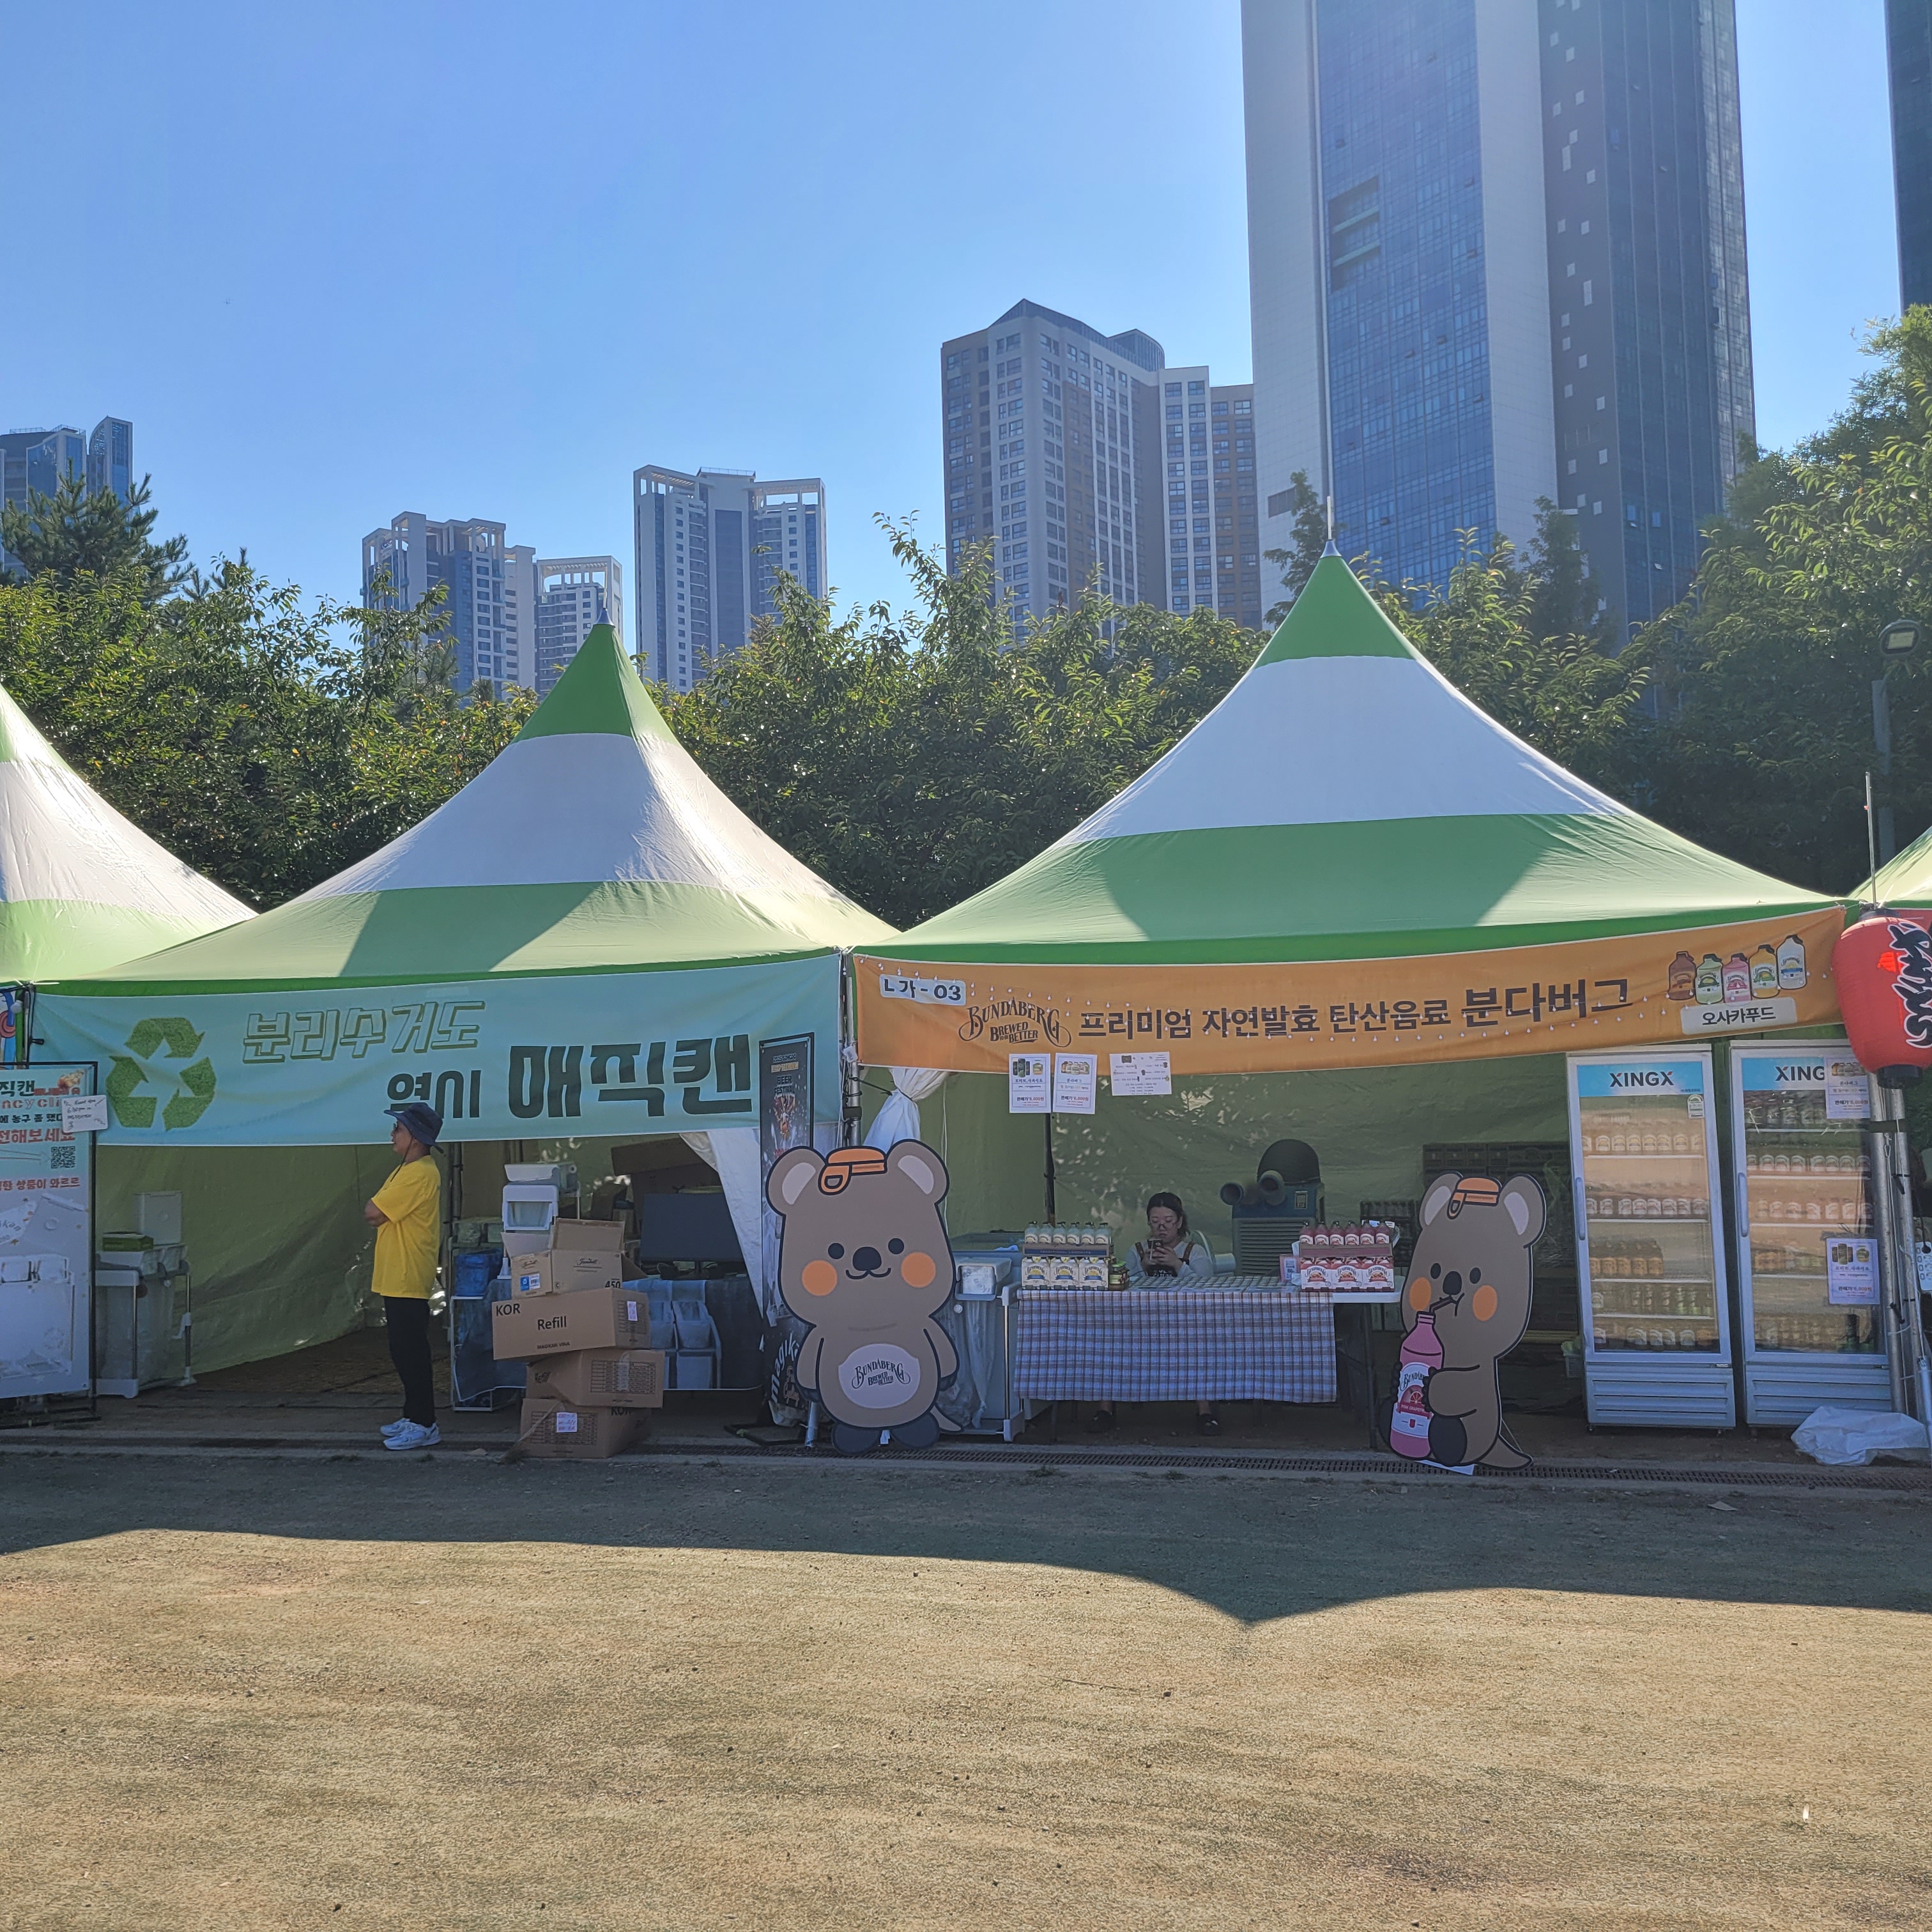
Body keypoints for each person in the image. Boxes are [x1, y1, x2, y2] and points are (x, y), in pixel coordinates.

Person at [1088, 1191, 1222, 1437]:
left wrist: (1178, 1265)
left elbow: (1207, 1287)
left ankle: (1205, 1411)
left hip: (1184, 1324)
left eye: (1168, 1221)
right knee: (1108, 1341)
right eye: (1155, 1222)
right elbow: (1122, 1286)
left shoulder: (1194, 1252)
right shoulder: (1138, 1250)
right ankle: (1105, 1410)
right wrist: (1142, 1267)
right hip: (1140, 1323)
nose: (1162, 1228)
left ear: (1179, 1222)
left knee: (1200, 1346)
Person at [367, 1101, 444, 1450]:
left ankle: (425, 1423)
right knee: (402, 1349)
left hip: (408, 1272)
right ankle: (413, 1415)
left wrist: (379, 1211)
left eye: (398, 1129)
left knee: (411, 1351)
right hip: (397, 1272)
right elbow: (377, 1211)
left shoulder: (420, 1173)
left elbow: (373, 1211)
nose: (392, 1134)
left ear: (415, 1137)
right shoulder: (407, 1169)